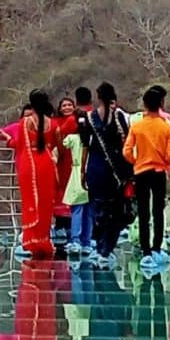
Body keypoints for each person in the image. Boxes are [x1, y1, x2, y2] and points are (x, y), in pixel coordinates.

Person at [0, 89, 63, 258]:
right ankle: (44, 238)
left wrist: (8, 140)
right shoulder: (53, 124)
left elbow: (18, 143)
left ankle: (32, 240)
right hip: (47, 164)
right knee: (45, 203)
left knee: (31, 201)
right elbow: (57, 145)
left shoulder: (25, 123)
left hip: (30, 165)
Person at [124, 84, 170, 273]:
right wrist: (163, 160)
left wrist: (136, 161)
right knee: (158, 210)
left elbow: (127, 151)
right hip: (158, 172)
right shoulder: (165, 126)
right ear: (161, 104)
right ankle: (157, 248)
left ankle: (145, 251)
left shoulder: (137, 126)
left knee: (143, 211)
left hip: (141, 171)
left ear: (145, 104)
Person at [79, 83, 133, 264]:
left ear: (98, 97)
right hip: (116, 169)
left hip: (95, 167)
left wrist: (82, 170)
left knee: (97, 207)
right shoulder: (119, 117)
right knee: (115, 209)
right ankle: (107, 248)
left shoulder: (89, 117)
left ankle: (98, 245)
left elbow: (85, 145)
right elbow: (127, 143)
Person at [60, 87, 94, 256]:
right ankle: (87, 241)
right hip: (92, 174)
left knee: (77, 208)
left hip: (76, 174)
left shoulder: (72, 138)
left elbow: (61, 138)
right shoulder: (93, 138)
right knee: (89, 211)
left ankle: (75, 240)